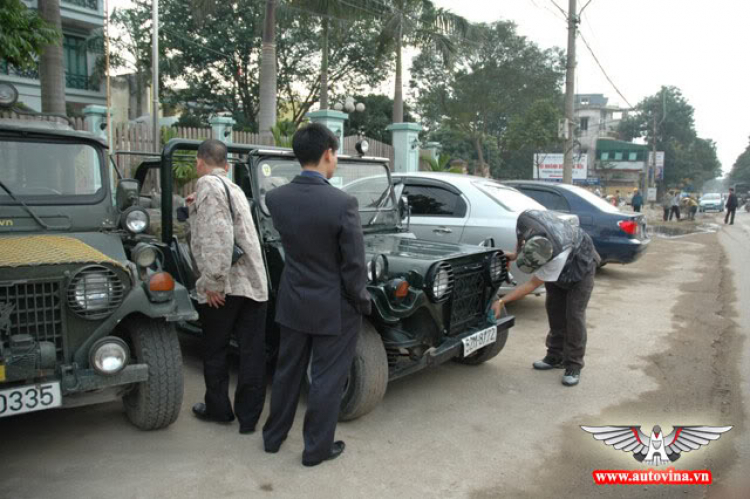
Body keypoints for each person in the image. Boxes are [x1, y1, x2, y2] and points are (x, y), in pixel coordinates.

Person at [262, 123, 370, 467]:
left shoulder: (275, 198)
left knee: (287, 372)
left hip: (293, 300)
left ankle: (273, 438)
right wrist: (361, 301)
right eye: (335, 153)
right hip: (333, 306)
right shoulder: (342, 203)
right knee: (326, 378)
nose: (335, 159)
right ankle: (315, 449)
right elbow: (354, 265)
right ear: (327, 153)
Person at [188, 139, 269, 434]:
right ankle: (249, 419)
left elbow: (217, 238)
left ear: (200, 161)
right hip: (254, 285)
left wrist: (213, 283)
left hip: (227, 286)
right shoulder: (233, 187)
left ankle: (219, 409)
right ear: (225, 163)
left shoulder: (207, 185)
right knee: (252, 353)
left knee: (215, 350)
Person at [491, 210, 600, 387]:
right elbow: (522, 239)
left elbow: (531, 285)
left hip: (581, 267)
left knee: (574, 315)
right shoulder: (526, 221)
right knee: (554, 310)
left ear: (546, 261)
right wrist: (517, 254)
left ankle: (573, 364)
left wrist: (502, 301)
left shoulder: (555, 258)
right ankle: (554, 356)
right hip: (559, 256)